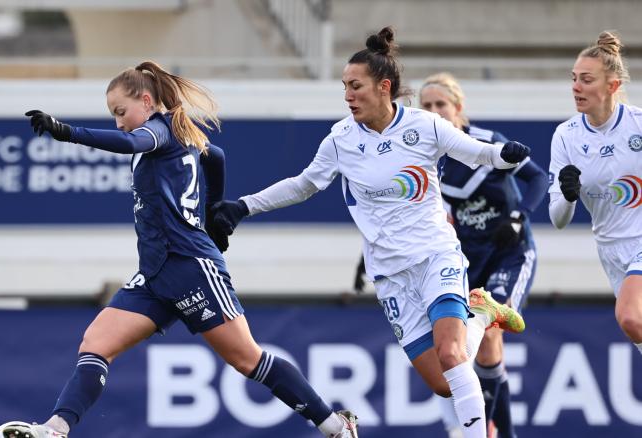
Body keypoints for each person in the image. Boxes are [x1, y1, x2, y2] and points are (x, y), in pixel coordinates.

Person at [0, 61, 359, 438]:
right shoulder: (175, 131)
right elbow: (215, 155)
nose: (119, 122)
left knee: (247, 358)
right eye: (113, 115)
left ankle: (335, 426)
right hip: (155, 272)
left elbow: (129, 142)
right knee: (96, 343)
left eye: (121, 112)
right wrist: (214, 212)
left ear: (147, 100)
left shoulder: (157, 129)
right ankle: (56, 430)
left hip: (190, 266)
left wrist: (67, 132)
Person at [210, 27, 530, 438]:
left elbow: (477, 153)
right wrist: (243, 206)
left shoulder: (425, 126)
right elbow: (304, 184)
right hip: (390, 274)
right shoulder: (341, 139)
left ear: (384, 87)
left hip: (436, 255)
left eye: (355, 85)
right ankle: (482, 313)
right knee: (439, 381)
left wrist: (503, 155)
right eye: (344, 86)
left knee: (452, 355)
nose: (347, 95)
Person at [420, 72, 548, 438]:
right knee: (480, 355)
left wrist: (518, 217)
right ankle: (500, 433)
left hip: (509, 253)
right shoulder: (425, 158)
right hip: (465, 264)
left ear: (459, 109)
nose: (434, 111)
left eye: (441, 104)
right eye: (426, 106)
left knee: (490, 333)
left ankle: (472, 431)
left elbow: (538, 179)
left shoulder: (488, 143)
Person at [549, 31, 642, 357]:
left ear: (612, 86)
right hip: (611, 251)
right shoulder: (566, 136)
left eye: (586, 79)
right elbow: (558, 219)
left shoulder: (637, 125)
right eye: (574, 78)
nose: (576, 87)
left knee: (630, 317)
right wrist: (568, 194)